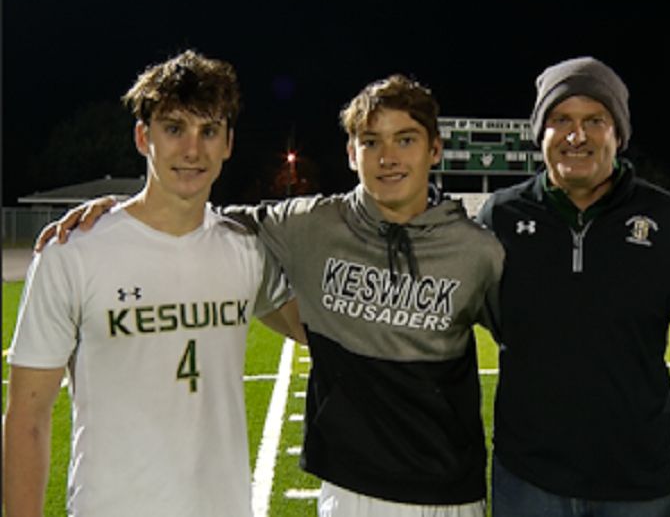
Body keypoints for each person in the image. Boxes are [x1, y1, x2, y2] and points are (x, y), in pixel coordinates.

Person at [37, 74, 505, 517]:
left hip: (449, 487)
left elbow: (528, 348)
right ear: (350, 153)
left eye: (405, 140)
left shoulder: (478, 250)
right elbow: (196, 214)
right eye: (370, 142)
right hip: (350, 487)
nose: (388, 157)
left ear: (435, 149)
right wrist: (117, 213)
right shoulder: (311, 225)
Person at [2, 50, 303, 517]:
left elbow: (320, 329)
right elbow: (27, 419)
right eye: (175, 128)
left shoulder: (246, 250)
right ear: (144, 137)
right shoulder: (73, 252)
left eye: (209, 131)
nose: (192, 150)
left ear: (228, 143)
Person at [476, 56, 670, 516]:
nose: (576, 136)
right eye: (560, 120)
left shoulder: (669, 219)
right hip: (529, 475)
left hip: (636, 480)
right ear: (540, 133)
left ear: (618, 133)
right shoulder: (500, 217)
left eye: (594, 120)